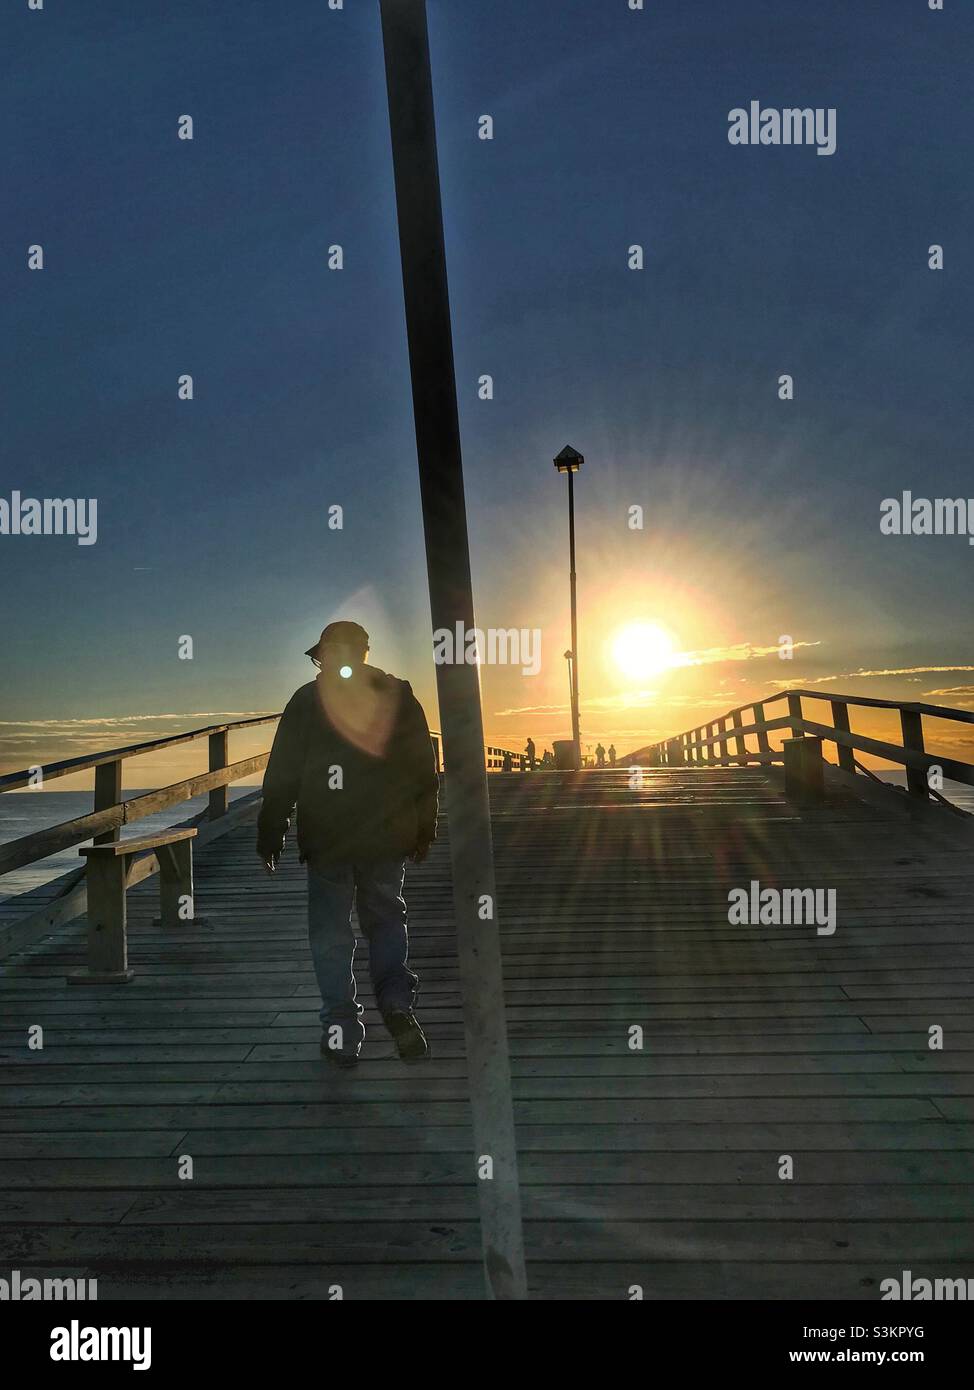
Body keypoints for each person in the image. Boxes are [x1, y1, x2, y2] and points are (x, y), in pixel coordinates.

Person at [256, 621, 438, 1068]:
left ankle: (341, 1031)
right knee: (386, 919)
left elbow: (284, 770)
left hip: (328, 837)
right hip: (387, 832)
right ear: (364, 652)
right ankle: (396, 1005)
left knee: (330, 934)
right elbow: (422, 767)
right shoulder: (398, 695)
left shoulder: (306, 701)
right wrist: (424, 826)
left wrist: (271, 827)